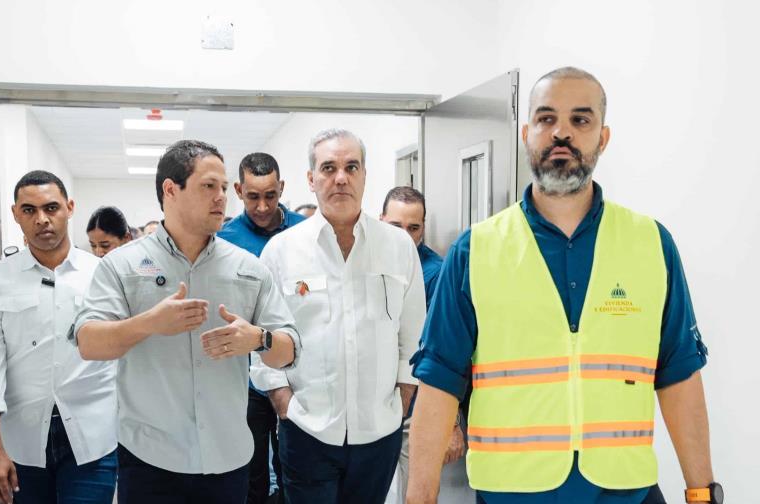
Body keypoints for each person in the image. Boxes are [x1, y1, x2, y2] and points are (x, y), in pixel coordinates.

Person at [407, 67, 719, 504]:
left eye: (581, 120)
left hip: (624, 492)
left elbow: (680, 376)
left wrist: (702, 493)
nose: (562, 133)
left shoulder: (651, 244)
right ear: (526, 132)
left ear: (603, 138)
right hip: (513, 494)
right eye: (547, 118)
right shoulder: (475, 251)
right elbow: (438, 386)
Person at [74, 140, 300, 504]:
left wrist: (258, 339)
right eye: (208, 186)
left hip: (227, 459)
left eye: (224, 188)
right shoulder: (122, 265)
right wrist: (148, 323)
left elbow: (289, 351)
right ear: (170, 190)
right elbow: (89, 342)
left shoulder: (249, 269)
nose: (221, 198)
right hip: (150, 461)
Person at [251, 128, 426, 504]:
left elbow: (414, 338)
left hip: (379, 431)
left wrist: (403, 399)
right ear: (311, 179)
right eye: (328, 168)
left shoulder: (397, 248)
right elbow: (262, 340)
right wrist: (284, 403)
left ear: (365, 175)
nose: (340, 177)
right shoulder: (281, 252)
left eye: (351, 167)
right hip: (307, 430)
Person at [0, 170, 117, 504]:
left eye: (51, 208)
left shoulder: (102, 276)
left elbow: (124, 353)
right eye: (30, 210)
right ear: (16, 214)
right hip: (22, 439)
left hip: (94, 437)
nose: (42, 219)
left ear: (70, 207)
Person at [217, 152, 306, 503]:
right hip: (246, 379)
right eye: (253, 196)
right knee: (250, 474)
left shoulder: (305, 232)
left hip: (296, 372)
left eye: (271, 195)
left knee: (294, 471)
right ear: (239, 190)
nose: (263, 206)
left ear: (281, 187)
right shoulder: (225, 239)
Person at [380, 186, 470, 503]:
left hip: (414, 412)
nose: (405, 236)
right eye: (395, 227)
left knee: (417, 495)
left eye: (413, 228)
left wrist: (452, 423)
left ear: (423, 228)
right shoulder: (364, 262)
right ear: (380, 221)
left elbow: (448, 354)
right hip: (369, 409)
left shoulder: (437, 273)